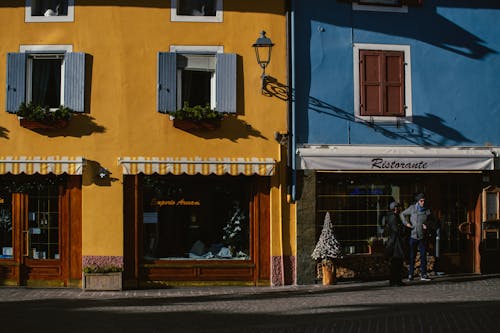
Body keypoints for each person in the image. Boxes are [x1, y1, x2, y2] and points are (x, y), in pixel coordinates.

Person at [400, 193, 432, 281]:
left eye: (424, 201)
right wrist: (406, 223)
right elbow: (402, 214)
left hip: (422, 237)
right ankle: (410, 274)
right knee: (412, 256)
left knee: (423, 256)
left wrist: (427, 225)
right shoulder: (412, 208)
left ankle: (424, 275)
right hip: (413, 236)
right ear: (418, 201)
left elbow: (432, 221)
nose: (423, 203)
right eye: (421, 201)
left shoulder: (427, 211)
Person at [384, 201, 406, 286]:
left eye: (398, 207)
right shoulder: (393, 217)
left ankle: (397, 280)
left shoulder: (394, 216)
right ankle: (394, 281)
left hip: (396, 241)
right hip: (395, 243)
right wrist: (404, 229)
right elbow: (397, 230)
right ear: (394, 209)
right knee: (396, 263)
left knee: (398, 262)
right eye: (396, 208)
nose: (398, 209)